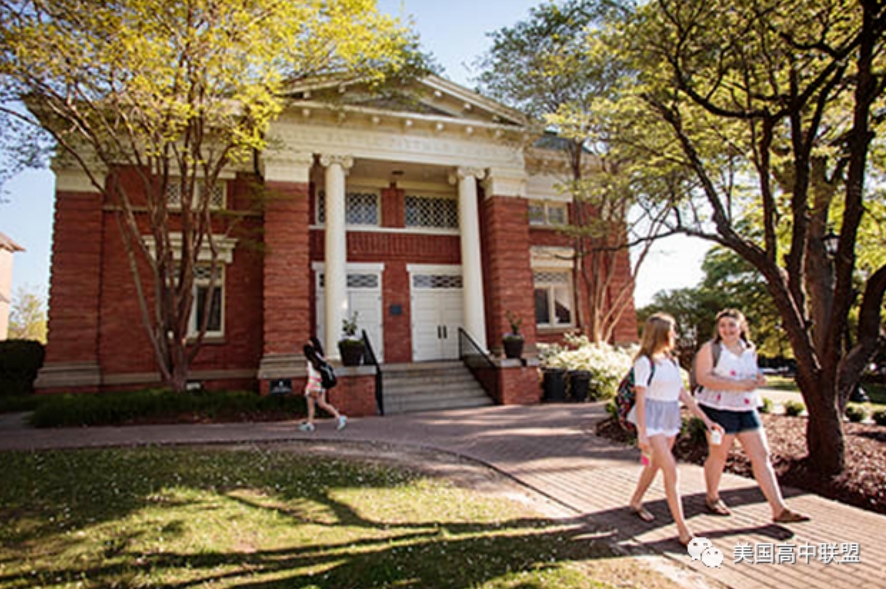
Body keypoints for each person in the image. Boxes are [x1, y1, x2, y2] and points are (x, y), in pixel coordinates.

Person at [694, 308, 809, 524]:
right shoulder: (710, 349)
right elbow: (703, 378)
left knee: (761, 455)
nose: (727, 330)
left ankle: (779, 509)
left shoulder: (749, 349)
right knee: (719, 456)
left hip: (746, 408)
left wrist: (759, 379)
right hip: (719, 409)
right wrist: (736, 385)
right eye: (722, 325)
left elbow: (751, 373)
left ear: (741, 327)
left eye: (731, 325)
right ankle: (712, 497)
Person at [627, 313, 724, 546]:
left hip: (670, 417)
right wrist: (642, 432)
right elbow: (640, 399)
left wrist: (707, 421)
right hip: (651, 420)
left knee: (655, 464)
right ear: (662, 334)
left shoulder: (671, 360)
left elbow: (683, 395)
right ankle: (683, 530)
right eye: (672, 331)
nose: (675, 335)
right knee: (671, 471)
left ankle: (636, 501)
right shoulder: (643, 363)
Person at [300, 337, 347, 432]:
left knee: (311, 405)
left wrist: (310, 387)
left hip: (313, 384)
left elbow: (313, 374)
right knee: (322, 404)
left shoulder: (312, 359)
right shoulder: (320, 356)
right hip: (321, 384)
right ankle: (338, 417)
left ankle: (310, 423)